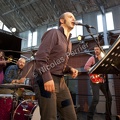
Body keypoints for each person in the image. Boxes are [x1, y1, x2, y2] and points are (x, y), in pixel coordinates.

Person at [34, 12, 78, 120]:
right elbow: (40, 57)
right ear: (62, 21)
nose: (74, 19)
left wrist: (69, 69)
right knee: (50, 117)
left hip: (61, 82)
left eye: (74, 17)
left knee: (71, 116)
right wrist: (47, 78)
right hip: (47, 79)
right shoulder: (53, 33)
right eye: (70, 17)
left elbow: (59, 63)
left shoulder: (69, 43)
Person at [84, 45, 112, 120]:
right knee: (96, 99)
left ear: (101, 50)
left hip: (103, 81)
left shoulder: (104, 58)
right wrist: (94, 69)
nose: (96, 51)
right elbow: (86, 67)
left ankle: (108, 116)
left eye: (97, 49)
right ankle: (89, 118)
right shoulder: (92, 58)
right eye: (94, 49)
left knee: (109, 97)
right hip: (94, 81)